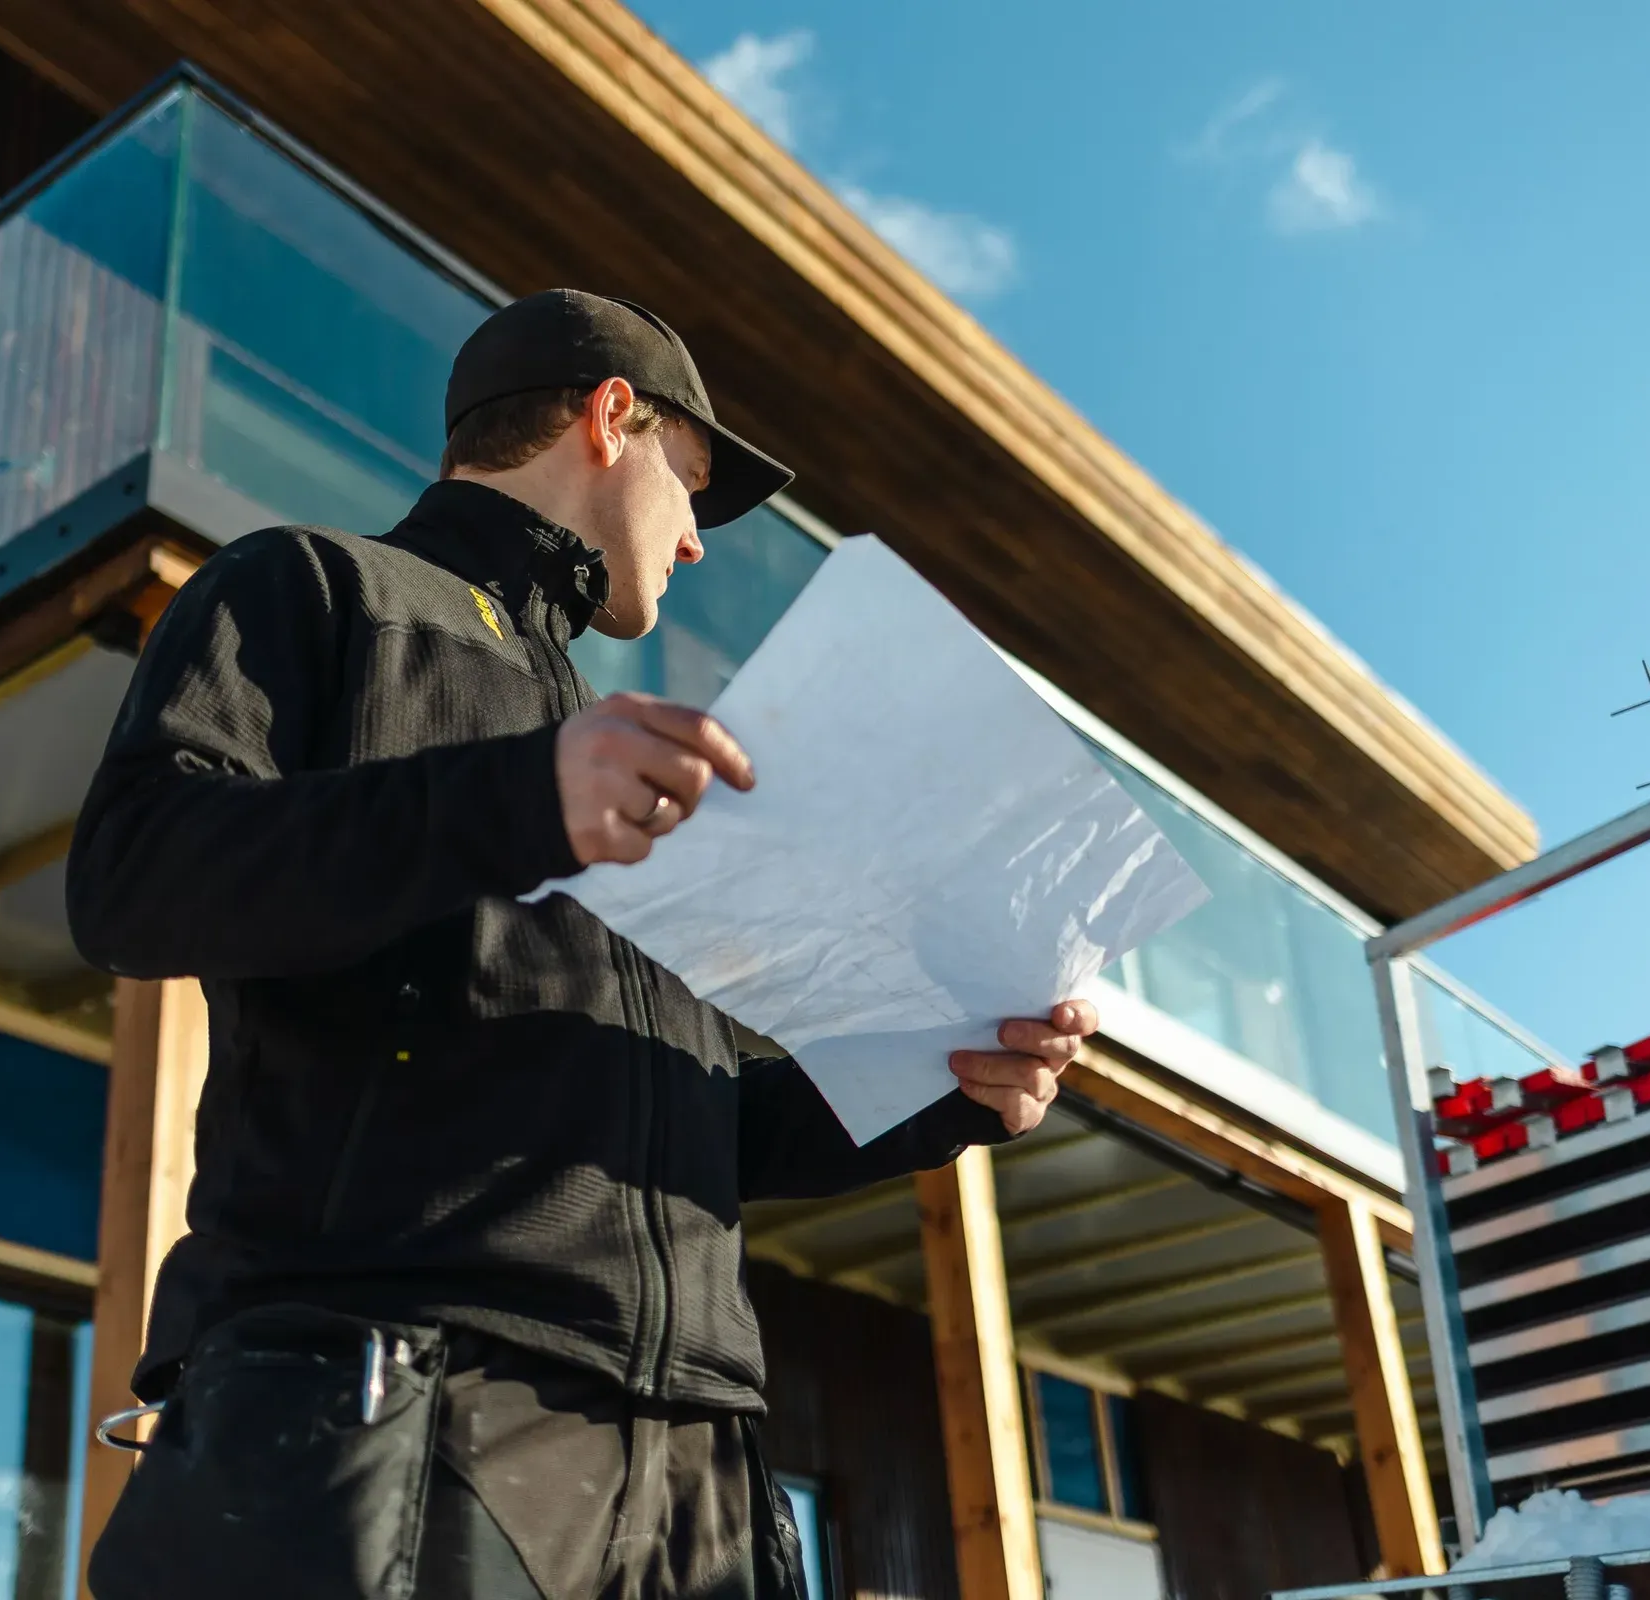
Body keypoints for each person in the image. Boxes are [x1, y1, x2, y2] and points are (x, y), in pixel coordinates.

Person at [67, 288, 1101, 1600]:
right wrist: (515, 801)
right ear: (614, 418)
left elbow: (695, 1126)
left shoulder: (623, 758)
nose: (697, 541)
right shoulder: (314, 590)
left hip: (703, 1481)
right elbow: (133, 877)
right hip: (416, 1410)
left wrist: (943, 1089)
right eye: (695, 485)